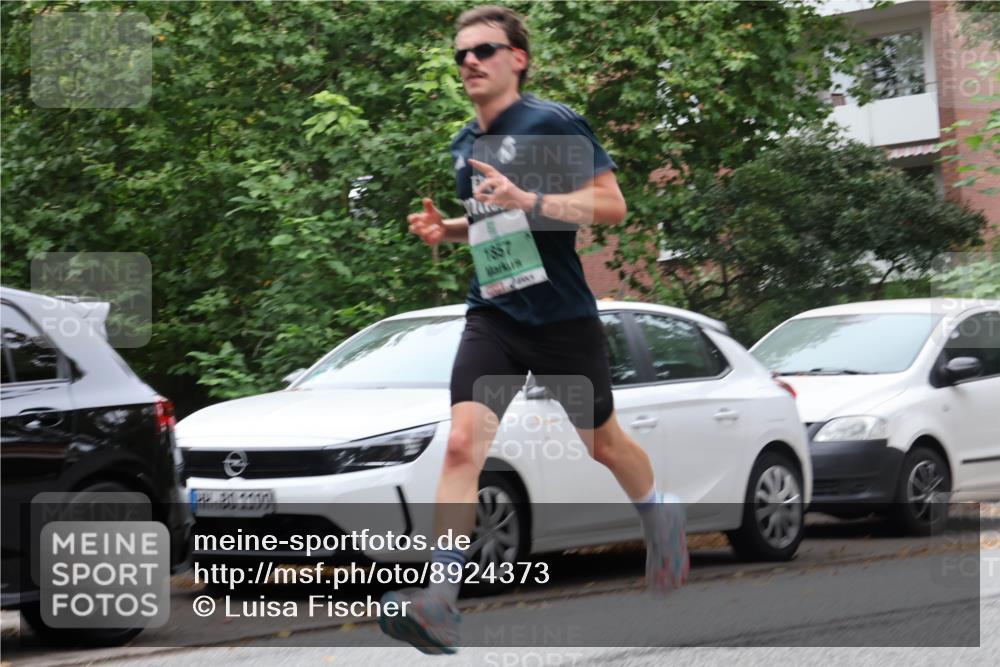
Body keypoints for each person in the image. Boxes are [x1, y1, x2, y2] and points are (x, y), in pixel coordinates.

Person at [378, 6, 688, 655]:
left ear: (516, 58)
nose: (469, 61)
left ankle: (661, 512)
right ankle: (439, 600)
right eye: (461, 53)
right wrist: (451, 229)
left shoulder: (552, 122)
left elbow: (612, 205)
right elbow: (496, 222)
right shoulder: (466, 142)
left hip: (560, 318)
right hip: (493, 312)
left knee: (601, 443)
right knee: (464, 444)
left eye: (484, 50)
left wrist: (532, 200)